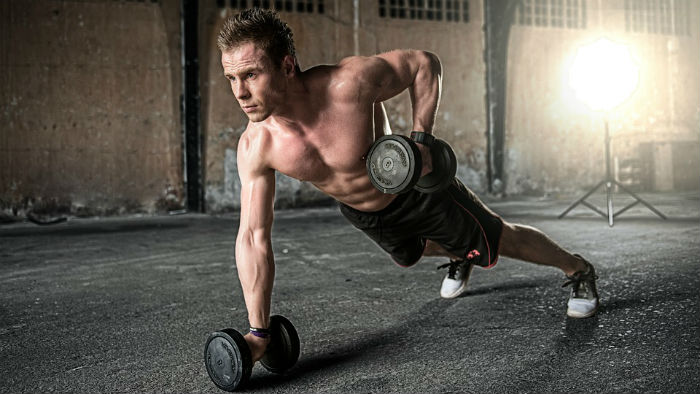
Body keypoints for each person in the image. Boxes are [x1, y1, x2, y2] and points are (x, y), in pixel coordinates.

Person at [217, 8, 599, 362]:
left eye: (251, 74)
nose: (239, 92)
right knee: (410, 253)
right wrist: (257, 330)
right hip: (363, 213)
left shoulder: (348, 84)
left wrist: (422, 140)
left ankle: (577, 269)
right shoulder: (256, 146)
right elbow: (253, 237)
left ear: (286, 66)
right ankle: (457, 255)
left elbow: (423, 64)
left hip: (414, 191)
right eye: (231, 78)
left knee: (496, 238)